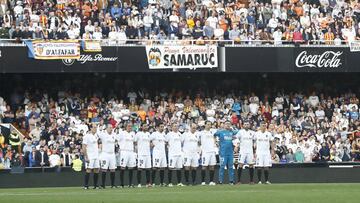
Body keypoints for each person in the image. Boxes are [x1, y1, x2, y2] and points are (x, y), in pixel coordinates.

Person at [235, 120, 255, 184]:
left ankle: (251, 181)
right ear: (243, 125)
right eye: (245, 124)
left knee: (251, 165)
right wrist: (237, 145)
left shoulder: (252, 132)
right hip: (242, 151)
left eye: (247, 124)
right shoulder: (240, 132)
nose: (246, 125)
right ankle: (238, 181)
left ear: (249, 125)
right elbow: (236, 138)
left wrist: (255, 145)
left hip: (250, 151)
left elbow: (255, 140)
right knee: (240, 164)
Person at [99, 124, 117, 188]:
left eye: (112, 128)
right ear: (106, 128)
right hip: (105, 154)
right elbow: (97, 134)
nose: (111, 129)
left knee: (113, 169)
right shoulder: (103, 134)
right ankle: (103, 184)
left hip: (112, 154)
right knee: (104, 169)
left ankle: (113, 184)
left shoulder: (114, 134)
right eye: (110, 128)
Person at [82, 124, 100, 189]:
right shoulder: (86, 136)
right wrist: (86, 157)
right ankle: (86, 185)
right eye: (94, 127)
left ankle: (96, 185)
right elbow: (84, 147)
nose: (95, 129)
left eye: (96, 127)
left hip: (96, 155)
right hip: (90, 155)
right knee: (89, 169)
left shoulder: (96, 135)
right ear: (91, 128)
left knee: (97, 169)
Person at [118, 123, 136, 188]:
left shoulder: (133, 133)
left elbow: (134, 142)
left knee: (131, 167)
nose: (130, 127)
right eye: (128, 126)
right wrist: (121, 147)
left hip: (131, 152)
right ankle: (121, 184)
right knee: (122, 167)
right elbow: (117, 140)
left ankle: (130, 183)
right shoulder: (122, 133)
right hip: (124, 151)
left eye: (131, 126)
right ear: (126, 127)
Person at [200, 121, 217, 186]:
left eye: (210, 124)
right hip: (205, 152)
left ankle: (211, 181)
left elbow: (215, 137)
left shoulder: (212, 132)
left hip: (212, 152)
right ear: (205, 125)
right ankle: (203, 181)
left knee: (212, 167)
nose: (209, 126)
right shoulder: (201, 133)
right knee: (204, 167)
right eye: (207, 124)